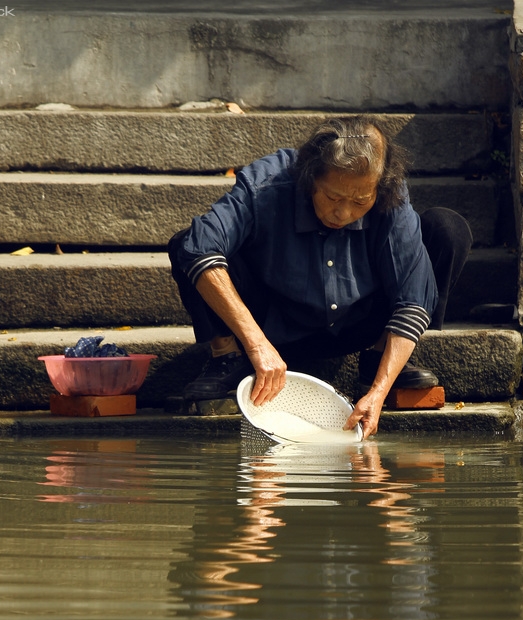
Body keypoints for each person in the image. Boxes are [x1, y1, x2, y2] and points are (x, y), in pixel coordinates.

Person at [168, 115, 472, 439]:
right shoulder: (269, 182)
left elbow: (412, 294)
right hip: (273, 326)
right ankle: (226, 357)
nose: (343, 213)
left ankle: (378, 360)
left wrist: (379, 391)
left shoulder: (389, 190)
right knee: (187, 241)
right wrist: (256, 345)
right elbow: (199, 248)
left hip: (359, 322)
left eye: (360, 201)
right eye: (332, 198)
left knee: (446, 229)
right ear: (311, 177)